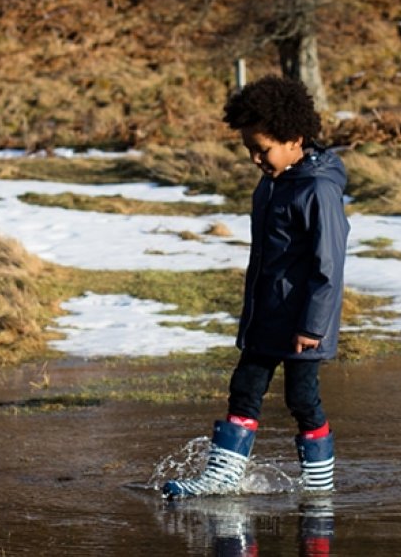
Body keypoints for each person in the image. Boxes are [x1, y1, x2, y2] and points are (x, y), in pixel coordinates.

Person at [164, 76, 349, 497]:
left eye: (261, 149)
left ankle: (320, 487)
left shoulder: (318, 190)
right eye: (249, 149)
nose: (254, 159)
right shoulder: (271, 183)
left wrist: (313, 326)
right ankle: (221, 478)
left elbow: (329, 265)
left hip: (303, 322)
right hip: (267, 314)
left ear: (294, 139)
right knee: (244, 387)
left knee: (302, 401)